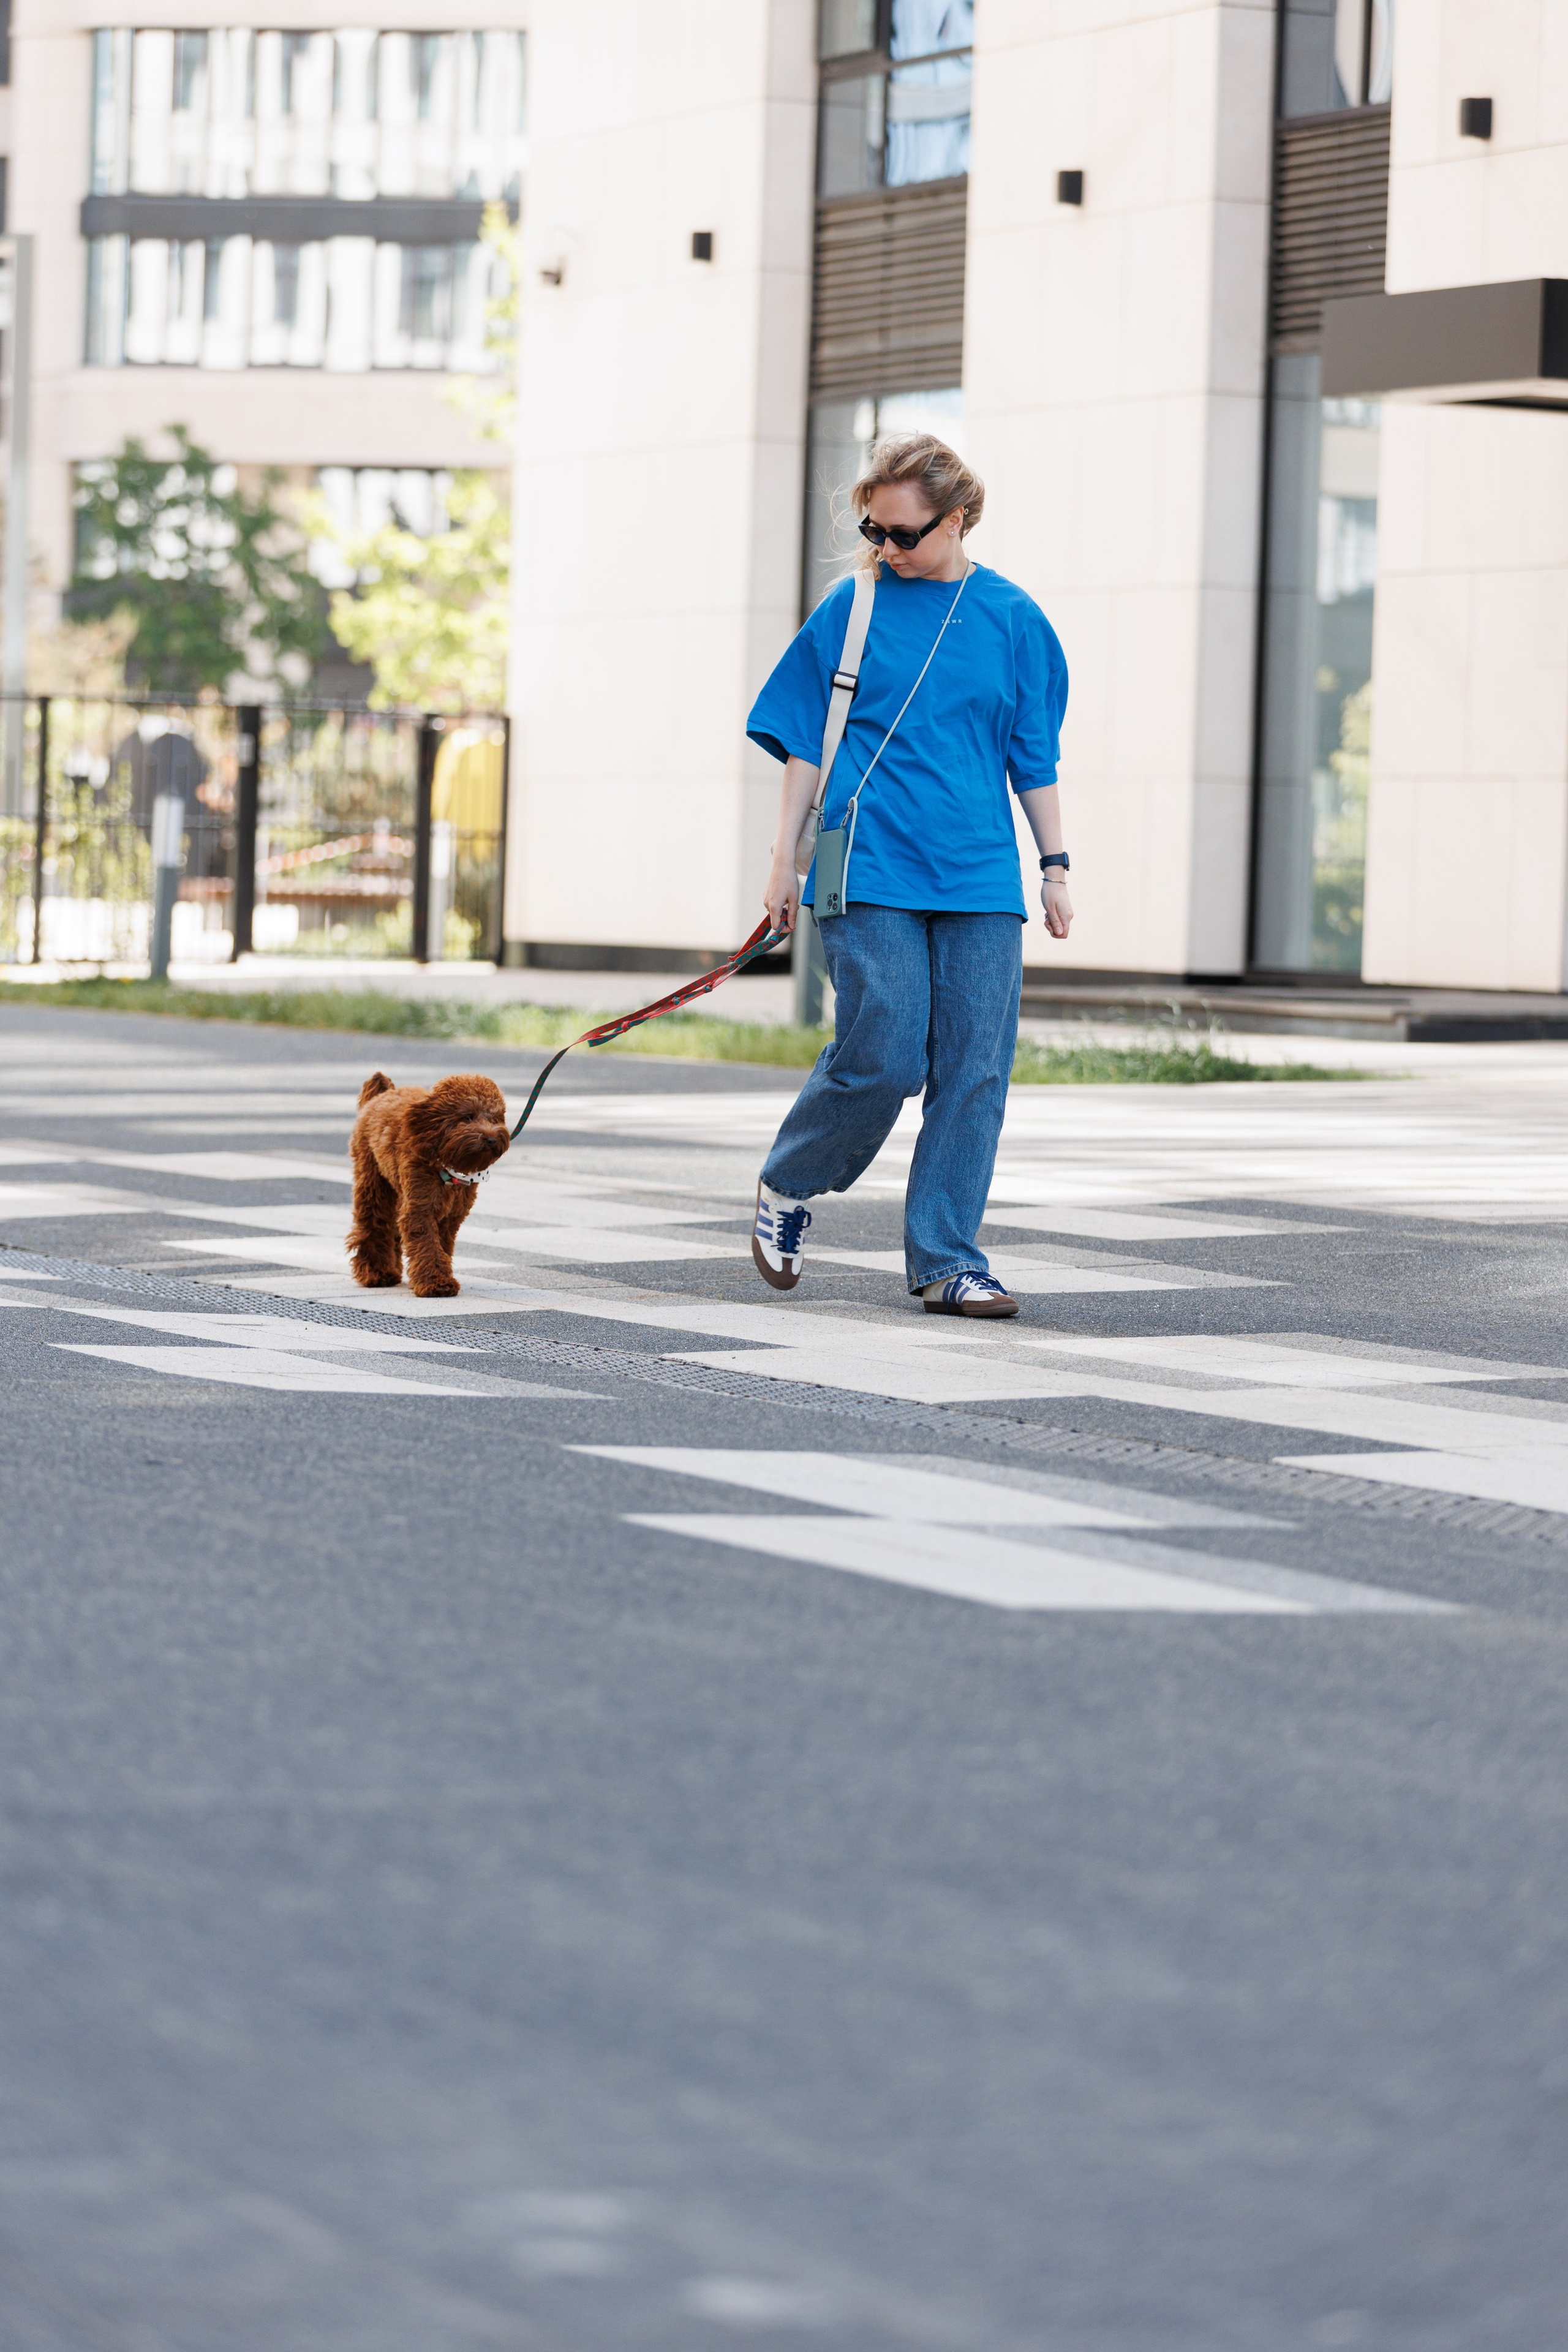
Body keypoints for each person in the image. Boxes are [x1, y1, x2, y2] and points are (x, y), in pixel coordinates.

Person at [745, 433, 1072, 1318]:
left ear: (956, 520)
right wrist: (784, 863)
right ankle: (791, 1179)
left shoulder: (1014, 619)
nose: (886, 548)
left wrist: (1054, 864)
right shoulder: (849, 609)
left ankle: (947, 1260)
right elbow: (805, 748)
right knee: (886, 1050)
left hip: (977, 873)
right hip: (872, 861)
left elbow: (1031, 757)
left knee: (974, 1068)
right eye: (874, 530)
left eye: (905, 533)